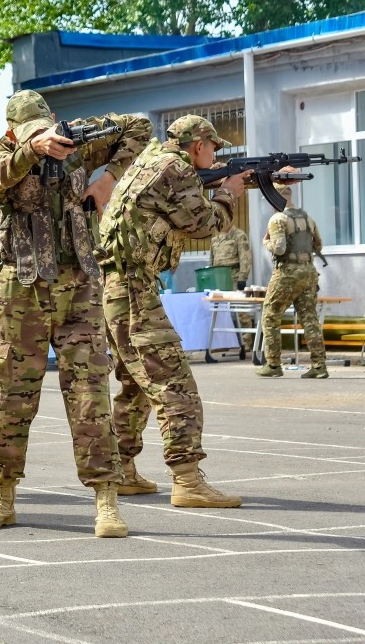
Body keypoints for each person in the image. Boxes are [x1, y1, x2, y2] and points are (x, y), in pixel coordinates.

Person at [0, 89, 151, 538]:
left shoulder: (81, 140)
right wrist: (31, 149)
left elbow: (139, 125)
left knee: (91, 393)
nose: (43, 136)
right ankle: (4, 497)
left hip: (79, 287)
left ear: (54, 118)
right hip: (21, 292)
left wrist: (109, 175)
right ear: (13, 131)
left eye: (44, 127)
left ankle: (107, 502)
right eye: (28, 132)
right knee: (10, 395)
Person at [99, 115, 248, 509]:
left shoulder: (152, 160)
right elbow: (202, 223)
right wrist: (230, 192)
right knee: (175, 388)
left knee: (137, 386)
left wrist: (215, 180)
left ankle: (123, 471)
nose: (216, 153)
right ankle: (187, 481)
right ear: (198, 145)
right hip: (132, 290)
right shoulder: (176, 169)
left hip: (118, 287)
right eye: (213, 147)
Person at [255, 179, 327, 379]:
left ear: (275, 197)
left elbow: (279, 248)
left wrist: (265, 243)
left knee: (270, 315)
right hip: (308, 272)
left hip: (287, 273)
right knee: (310, 318)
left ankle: (273, 364)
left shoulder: (277, 219)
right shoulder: (308, 217)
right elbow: (318, 246)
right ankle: (319, 366)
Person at [210, 225, 254, 352]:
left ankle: (246, 343)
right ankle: (220, 343)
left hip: (234, 277)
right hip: (219, 278)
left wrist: (242, 277)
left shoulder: (239, 235)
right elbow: (212, 260)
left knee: (241, 312)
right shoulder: (215, 237)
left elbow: (245, 258)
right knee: (218, 312)